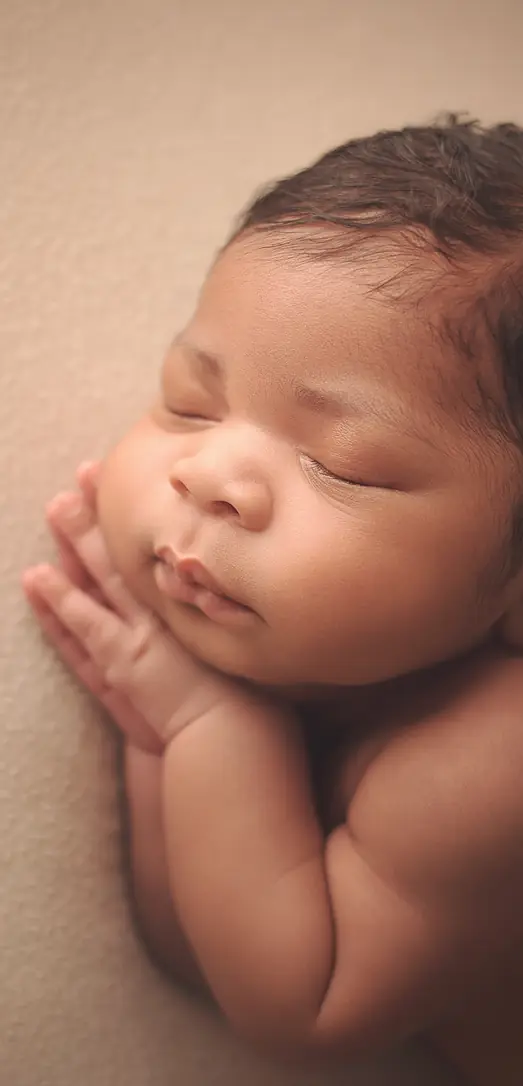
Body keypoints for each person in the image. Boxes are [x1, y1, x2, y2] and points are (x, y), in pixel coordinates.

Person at [22, 114, 523, 1084]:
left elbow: (302, 1006)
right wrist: (162, 727)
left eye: (340, 465)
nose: (208, 475)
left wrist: (207, 720)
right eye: (190, 402)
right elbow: (198, 951)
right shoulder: (333, 655)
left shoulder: (491, 757)